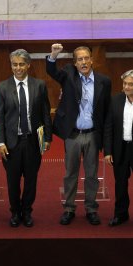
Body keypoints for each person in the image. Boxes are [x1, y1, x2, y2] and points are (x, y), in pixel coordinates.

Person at [46, 43, 111, 225]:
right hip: (73, 134)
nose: (83, 62)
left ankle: (91, 208)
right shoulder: (68, 75)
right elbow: (52, 72)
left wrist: (106, 141)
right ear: (75, 63)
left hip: (92, 134)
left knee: (92, 174)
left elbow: (106, 112)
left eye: (86, 58)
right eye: (80, 59)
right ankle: (69, 208)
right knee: (71, 174)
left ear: (92, 60)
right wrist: (53, 55)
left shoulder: (103, 81)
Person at [0, 49, 52, 227]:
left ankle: (27, 211)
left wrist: (47, 137)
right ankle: (15, 212)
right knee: (12, 181)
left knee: (31, 180)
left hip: (33, 141)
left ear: (28, 65)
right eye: (14, 64)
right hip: (11, 143)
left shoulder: (39, 85)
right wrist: (0, 142)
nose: (18, 68)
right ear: (11, 66)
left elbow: (45, 114)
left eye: (21, 64)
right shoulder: (2, 87)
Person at [104, 70, 133, 226]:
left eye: (130, 84)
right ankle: (121, 214)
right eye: (125, 84)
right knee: (120, 184)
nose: (127, 87)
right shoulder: (115, 100)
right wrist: (108, 151)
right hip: (120, 149)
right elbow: (108, 127)